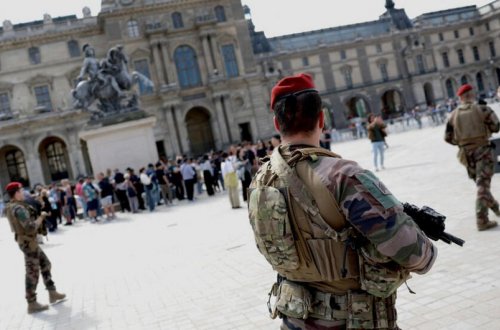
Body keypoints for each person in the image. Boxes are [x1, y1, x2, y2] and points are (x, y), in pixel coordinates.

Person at [247, 73, 437, 329]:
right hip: (351, 321)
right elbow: (417, 256)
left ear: (276, 123)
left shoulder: (261, 180)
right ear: (321, 118)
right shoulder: (342, 176)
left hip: (294, 319)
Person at [4, 182, 66, 314]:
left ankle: (52, 292)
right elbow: (30, 227)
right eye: (21, 190)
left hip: (28, 241)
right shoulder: (18, 208)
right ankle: (31, 303)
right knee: (32, 273)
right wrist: (42, 216)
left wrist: (38, 204)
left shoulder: (15, 205)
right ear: (16, 192)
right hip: (28, 243)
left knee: (45, 264)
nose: (23, 192)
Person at [445, 83, 500, 231]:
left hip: (466, 155)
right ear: (471, 94)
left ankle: (496, 209)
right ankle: (482, 220)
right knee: (483, 186)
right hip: (483, 151)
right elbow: (496, 126)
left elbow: (447, 137)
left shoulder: (453, 114)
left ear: (461, 97)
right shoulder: (482, 109)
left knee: (481, 185)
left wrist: (463, 142)